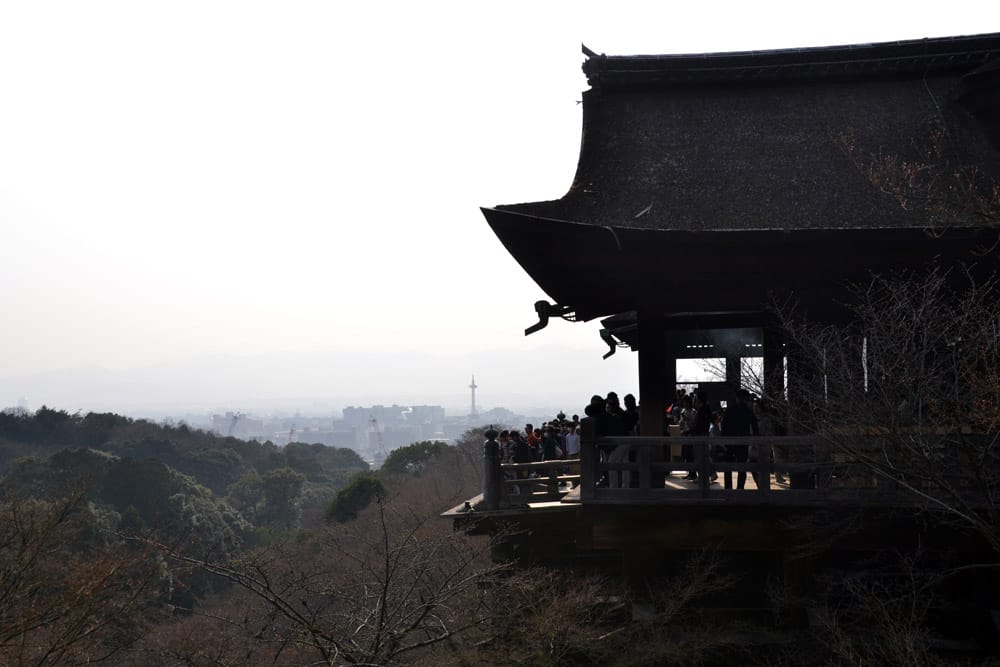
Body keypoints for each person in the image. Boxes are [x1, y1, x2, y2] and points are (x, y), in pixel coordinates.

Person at [721, 389, 759, 490]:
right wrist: (756, 441)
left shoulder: (729, 410)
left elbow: (723, 426)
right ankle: (740, 489)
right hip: (743, 442)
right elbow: (755, 427)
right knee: (742, 467)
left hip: (729, 441)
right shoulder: (748, 411)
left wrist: (723, 440)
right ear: (746, 399)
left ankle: (728, 489)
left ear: (737, 398)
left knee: (727, 468)